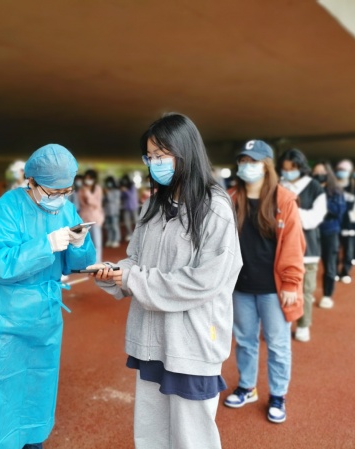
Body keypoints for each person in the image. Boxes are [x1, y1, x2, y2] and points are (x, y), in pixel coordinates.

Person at [90, 114, 242, 449]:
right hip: (153, 337)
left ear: (185, 152)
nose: (154, 163)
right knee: (151, 433)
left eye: (161, 155)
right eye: (149, 157)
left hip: (192, 341)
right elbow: (135, 259)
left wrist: (134, 278)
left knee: (192, 438)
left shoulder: (214, 207)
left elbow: (204, 281)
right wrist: (114, 273)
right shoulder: (154, 204)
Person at [0, 144, 96, 449]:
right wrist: (45, 245)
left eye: (66, 191)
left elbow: (77, 263)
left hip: (45, 315)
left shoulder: (66, 208)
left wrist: (80, 243)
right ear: (31, 181)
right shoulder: (8, 208)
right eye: (53, 191)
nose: (60, 198)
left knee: (38, 386)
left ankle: (33, 442)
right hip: (5, 317)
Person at [223, 140, 305, 425]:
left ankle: (278, 395)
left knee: (278, 344)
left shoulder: (284, 200)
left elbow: (294, 245)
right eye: (243, 161)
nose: (247, 166)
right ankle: (248, 387)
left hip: (274, 288)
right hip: (241, 286)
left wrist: (291, 284)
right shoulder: (231, 198)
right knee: (245, 341)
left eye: (254, 161)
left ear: (267, 165)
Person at [278, 149, 326, 342]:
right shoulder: (279, 184)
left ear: (301, 167)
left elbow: (315, 218)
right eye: (285, 168)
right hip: (280, 249)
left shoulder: (314, 187)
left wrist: (290, 213)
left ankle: (303, 325)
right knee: (280, 288)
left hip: (308, 248)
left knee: (306, 290)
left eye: (293, 168)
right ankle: (282, 325)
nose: (288, 172)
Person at [312, 161, 347, 309]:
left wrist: (322, 198)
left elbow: (338, 210)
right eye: (315, 173)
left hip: (330, 231)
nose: (318, 175)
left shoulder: (335, 191)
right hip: (311, 231)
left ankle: (327, 295)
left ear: (328, 174)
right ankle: (308, 291)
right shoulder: (309, 189)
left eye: (322, 172)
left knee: (330, 264)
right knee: (309, 265)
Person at [335, 159, 355, 283]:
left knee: (349, 250)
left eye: (344, 170)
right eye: (339, 170)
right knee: (334, 250)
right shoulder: (333, 186)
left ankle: (345, 271)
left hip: (349, 226)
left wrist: (350, 217)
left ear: (349, 172)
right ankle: (335, 271)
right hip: (334, 225)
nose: (341, 172)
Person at [79, 169, 104, 262]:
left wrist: (88, 193)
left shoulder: (97, 189)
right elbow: (82, 204)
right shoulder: (82, 190)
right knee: (85, 242)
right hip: (85, 218)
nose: (88, 180)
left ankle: (97, 262)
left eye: (90, 178)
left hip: (96, 218)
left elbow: (96, 204)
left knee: (97, 242)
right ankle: (88, 261)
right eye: (86, 178)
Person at [103, 175, 121, 248]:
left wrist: (107, 193)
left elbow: (112, 200)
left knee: (114, 226)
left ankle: (116, 240)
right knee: (108, 226)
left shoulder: (116, 191)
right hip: (107, 211)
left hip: (114, 212)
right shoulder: (106, 191)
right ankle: (110, 239)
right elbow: (103, 200)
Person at [120, 174, 139, 241]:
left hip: (133, 206)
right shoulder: (122, 187)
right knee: (126, 222)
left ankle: (138, 234)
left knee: (136, 220)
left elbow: (131, 196)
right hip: (126, 207)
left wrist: (125, 190)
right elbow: (122, 197)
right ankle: (129, 234)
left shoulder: (132, 186)